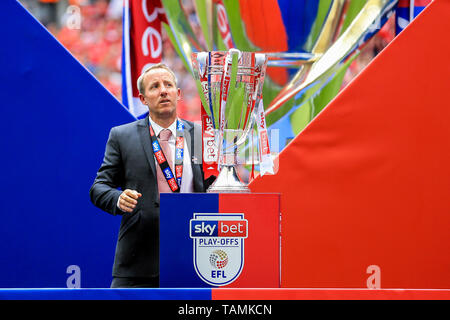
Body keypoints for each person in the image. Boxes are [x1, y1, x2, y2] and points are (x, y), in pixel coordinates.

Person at [89, 63, 212, 288]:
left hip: (194, 256)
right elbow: (98, 188)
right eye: (154, 86)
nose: (163, 90)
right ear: (143, 99)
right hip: (138, 262)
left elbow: (216, 188)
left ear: (179, 93)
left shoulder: (202, 136)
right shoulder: (122, 136)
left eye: (168, 85)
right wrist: (117, 198)